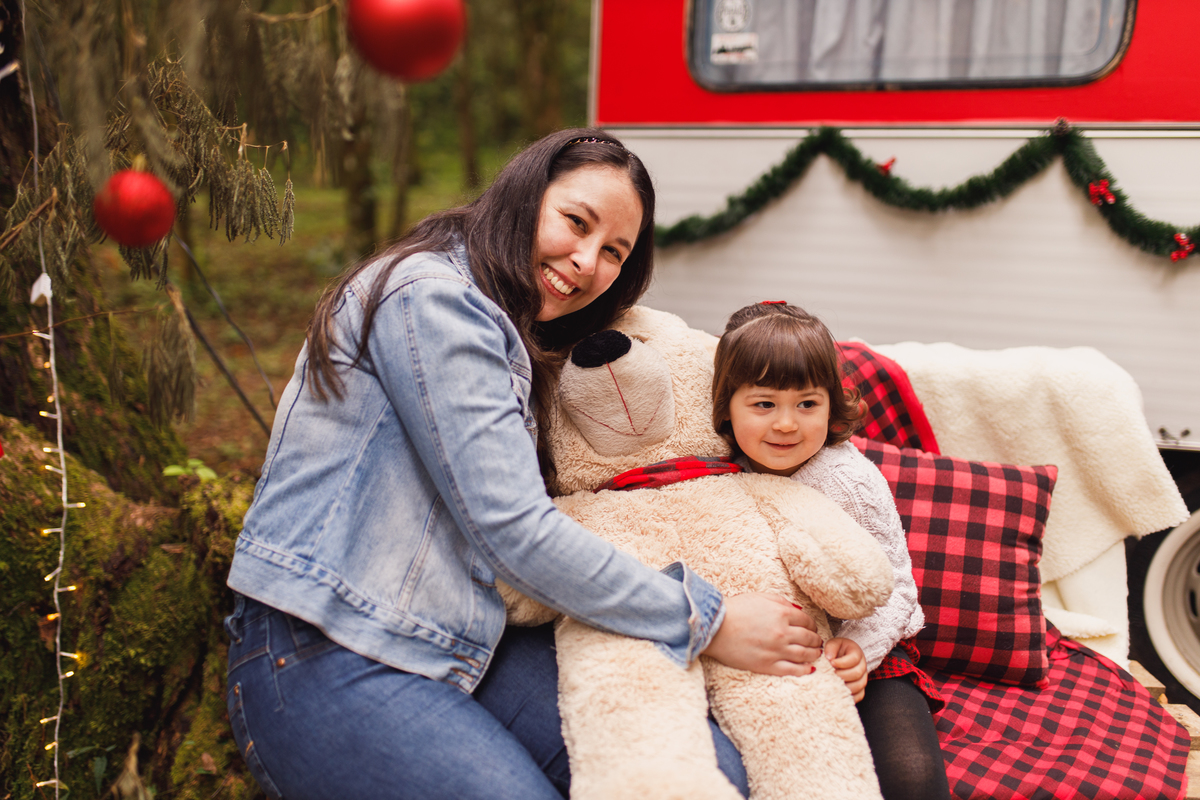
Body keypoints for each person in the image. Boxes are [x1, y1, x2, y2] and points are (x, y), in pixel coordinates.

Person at [222, 129, 822, 800]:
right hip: (328, 648)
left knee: (699, 778)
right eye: (576, 222)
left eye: (614, 252)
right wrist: (704, 619)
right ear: (524, 191)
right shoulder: (434, 298)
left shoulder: (513, 332)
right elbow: (514, 528)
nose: (587, 262)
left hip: (463, 638)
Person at [711, 301, 951, 800]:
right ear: (726, 405)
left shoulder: (848, 480)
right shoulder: (717, 470)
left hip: (865, 651)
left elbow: (897, 585)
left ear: (831, 404)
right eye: (763, 404)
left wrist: (860, 650)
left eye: (807, 404)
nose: (785, 425)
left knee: (911, 778)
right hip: (766, 650)